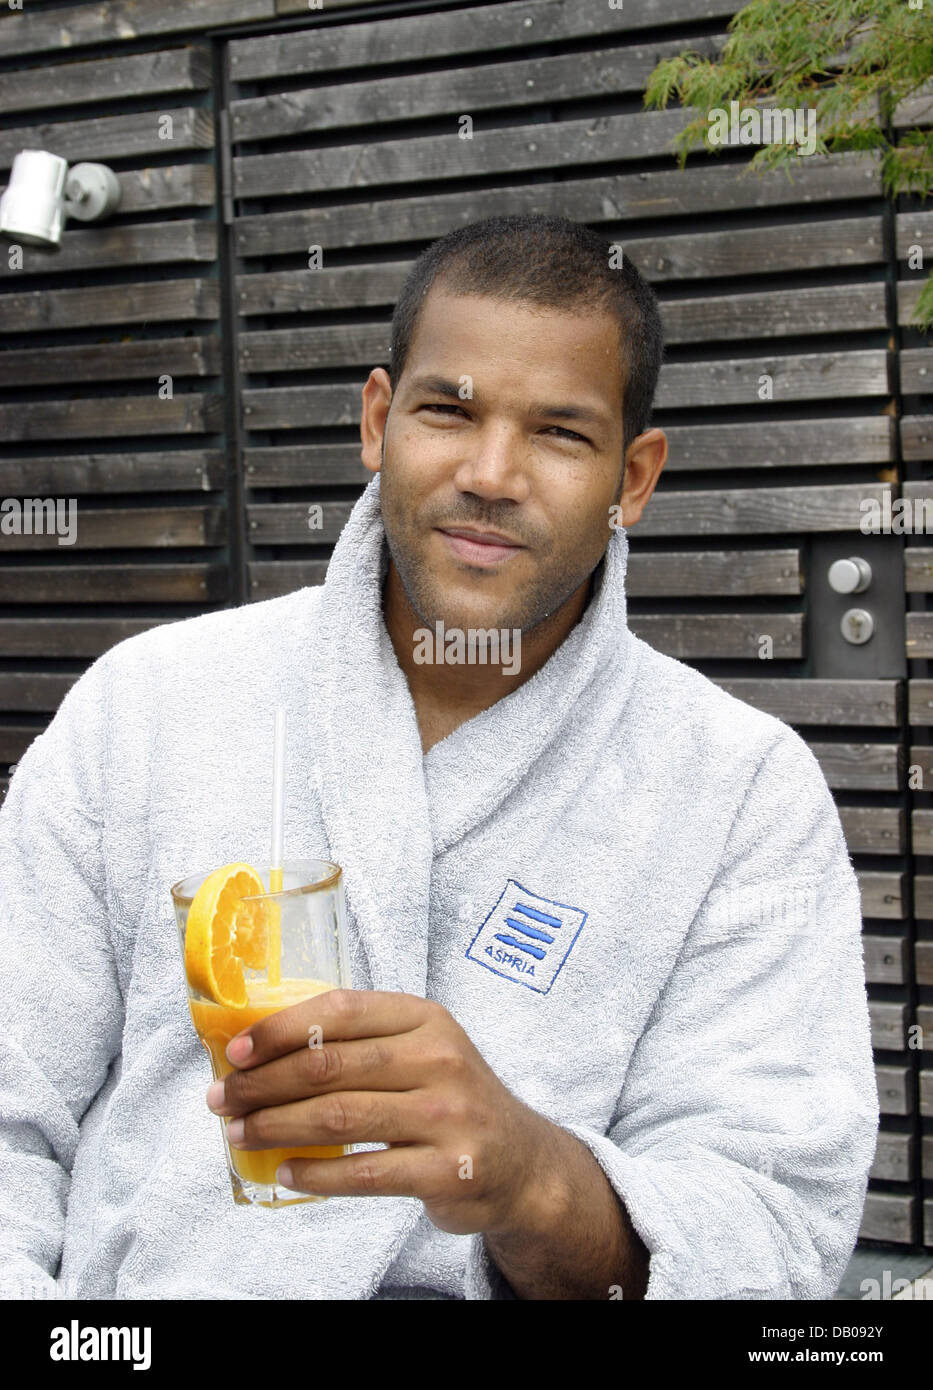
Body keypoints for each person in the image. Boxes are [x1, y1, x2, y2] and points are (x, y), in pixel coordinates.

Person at [0, 213, 878, 1301]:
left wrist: (532, 1177)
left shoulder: (738, 790)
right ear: (378, 420)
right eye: (447, 409)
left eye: (560, 434)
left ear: (634, 478)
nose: (491, 472)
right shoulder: (150, 707)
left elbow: (775, 1231)